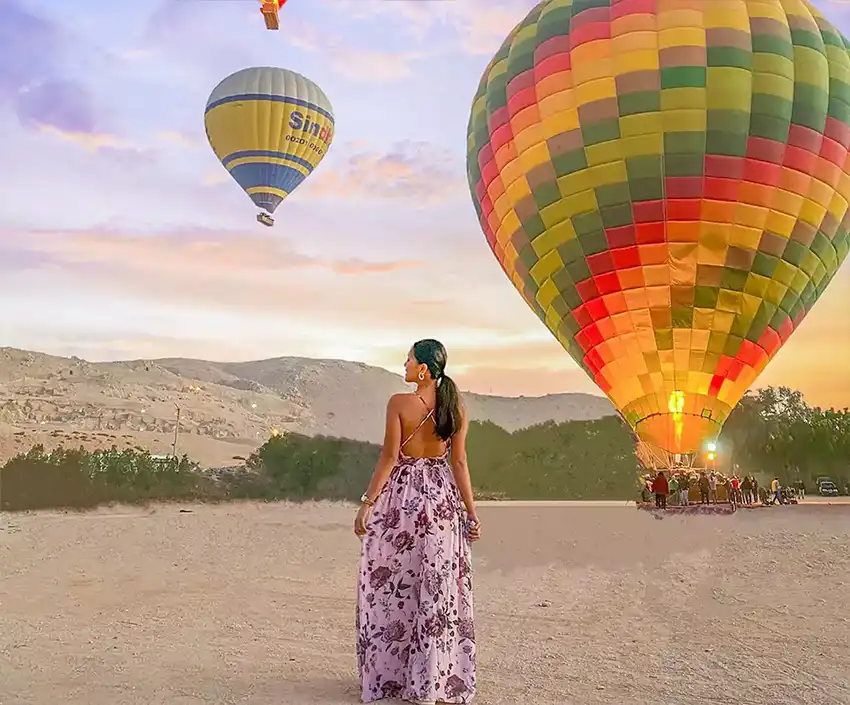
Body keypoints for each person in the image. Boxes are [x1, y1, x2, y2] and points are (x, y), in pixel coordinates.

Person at [354, 339, 478, 704]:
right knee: (437, 589)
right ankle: (433, 680)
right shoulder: (455, 407)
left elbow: (389, 457)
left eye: (408, 359)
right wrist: (471, 512)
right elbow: (459, 464)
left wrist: (367, 503)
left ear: (423, 368)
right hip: (442, 502)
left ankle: (392, 679)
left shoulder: (399, 403)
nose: (404, 364)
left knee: (395, 586)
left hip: (402, 502)